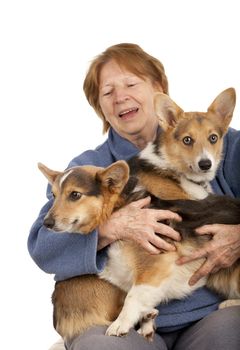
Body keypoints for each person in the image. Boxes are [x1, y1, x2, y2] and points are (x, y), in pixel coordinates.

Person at [28, 43, 240, 350]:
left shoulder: (219, 142)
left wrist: (237, 235)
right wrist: (109, 228)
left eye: (130, 84)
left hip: (210, 314)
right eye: (107, 92)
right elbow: (43, 246)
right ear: (100, 107)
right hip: (121, 323)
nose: (120, 97)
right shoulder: (88, 169)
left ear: (158, 91)